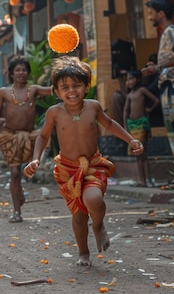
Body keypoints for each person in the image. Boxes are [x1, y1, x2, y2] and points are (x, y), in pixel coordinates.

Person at [24, 56, 144, 267]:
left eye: (77, 85)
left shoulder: (93, 107)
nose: (72, 91)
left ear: (87, 86)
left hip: (93, 165)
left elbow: (110, 124)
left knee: (94, 199)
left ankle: (98, 225)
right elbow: (43, 136)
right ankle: (83, 253)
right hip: (68, 169)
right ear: (56, 91)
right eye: (65, 87)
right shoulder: (54, 113)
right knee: (79, 215)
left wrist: (131, 139)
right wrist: (36, 159)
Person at [0, 56, 53, 223]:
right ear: (11, 73)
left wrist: (64, 74)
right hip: (10, 135)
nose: (21, 73)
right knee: (15, 173)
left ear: (28, 73)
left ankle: (18, 196)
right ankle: (17, 211)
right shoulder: (3, 92)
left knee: (25, 172)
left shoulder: (34, 90)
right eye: (17, 70)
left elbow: (55, 90)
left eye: (24, 70)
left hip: (30, 136)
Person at [142, 0, 174, 190]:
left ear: (161, 14)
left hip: (173, 83)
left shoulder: (171, 30)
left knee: (172, 129)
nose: (149, 16)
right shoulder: (166, 31)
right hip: (168, 82)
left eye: (151, 13)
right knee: (172, 130)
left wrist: (158, 67)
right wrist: (157, 67)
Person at [123, 70, 159, 187]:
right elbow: (126, 111)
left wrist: (149, 109)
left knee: (142, 153)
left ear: (138, 80)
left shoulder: (142, 91)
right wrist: (125, 125)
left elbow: (156, 100)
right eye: (128, 79)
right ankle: (143, 181)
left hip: (142, 124)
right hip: (132, 126)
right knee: (139, 155)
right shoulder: (129, 95)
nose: (129, 81)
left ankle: (147, 180)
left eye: (132, 78)